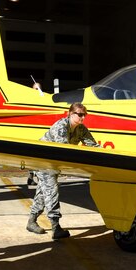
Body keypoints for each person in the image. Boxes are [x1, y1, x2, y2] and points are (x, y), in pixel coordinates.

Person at [27, 102, 100, 239]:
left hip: (53, 163)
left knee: (44, 193)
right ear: (71, 114)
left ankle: (31, 222)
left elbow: (92, 145)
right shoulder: (61, 127)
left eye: (84, 115)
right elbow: (64, 150)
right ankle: (56, 228)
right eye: (79, 115)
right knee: (52, 191)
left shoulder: (81, 129)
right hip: (43, 161)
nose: (83, 117)